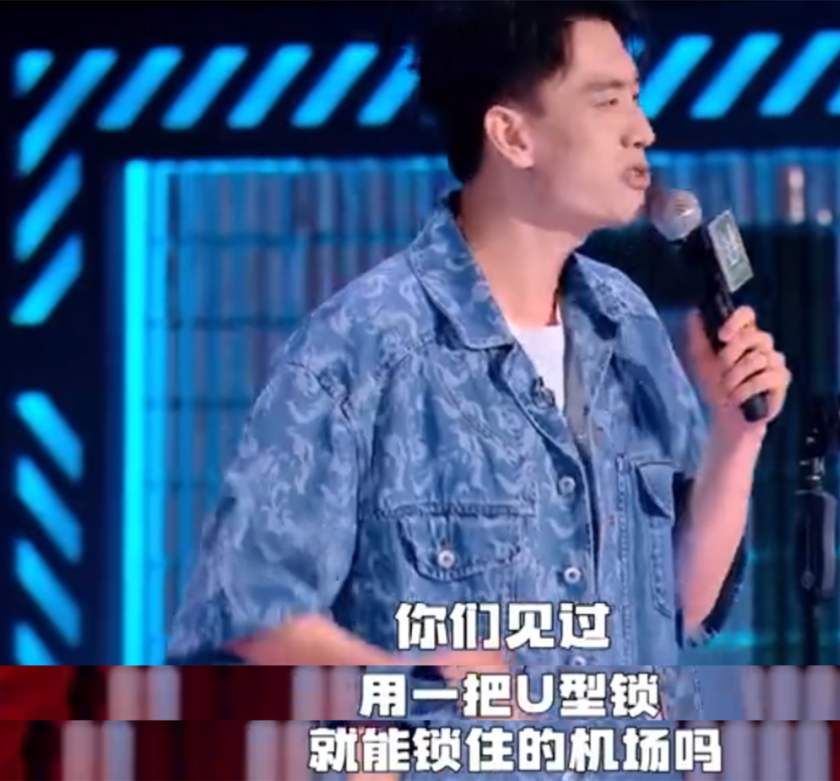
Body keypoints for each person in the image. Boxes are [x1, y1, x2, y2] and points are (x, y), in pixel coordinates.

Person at [168, 0, 790, 715]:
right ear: (512, 135)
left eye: (636, 97)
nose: (642, 129)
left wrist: (737, 435)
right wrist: (414, 685)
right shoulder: (366, 344)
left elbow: (681, 606)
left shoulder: (628, 323)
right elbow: (246, 611)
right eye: (608, 100)